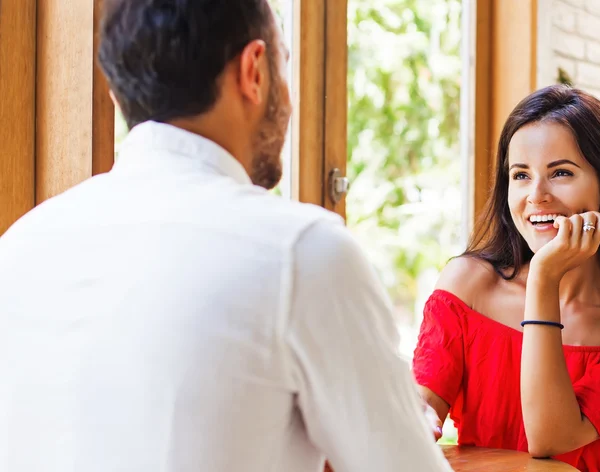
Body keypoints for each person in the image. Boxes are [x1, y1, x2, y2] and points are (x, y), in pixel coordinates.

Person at [0, 1, 451, 471]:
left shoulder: (18, 248)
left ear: (117, 95)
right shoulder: (299, 252)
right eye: (286, 66)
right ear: (254, 70)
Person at [413, 85, 600, 472]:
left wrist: (543, 278)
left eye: (560, 173)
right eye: (520, 175)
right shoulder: (468, 284)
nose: (536, 196)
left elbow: (550, 439)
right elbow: (423, 408)